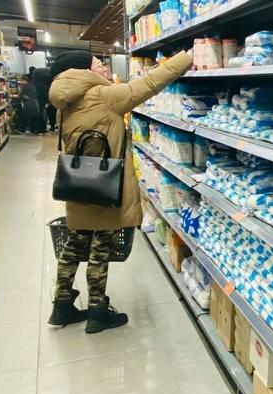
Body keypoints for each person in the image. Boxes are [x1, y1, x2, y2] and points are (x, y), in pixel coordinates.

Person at [46, 50, 193, 333]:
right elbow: (149, 84)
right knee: (100, 249)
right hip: (104, 185)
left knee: (74, 245)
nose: (104, 69)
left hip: (77, 183)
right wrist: (185, 58)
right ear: (84, 71)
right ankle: (98, 311)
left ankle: (62, 304)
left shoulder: (64, 101)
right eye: (98, 65)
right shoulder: (104, 96)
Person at [32, 67, 53, 132]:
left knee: (40, 112)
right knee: (43, 112)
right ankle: (41, 128)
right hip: (43, 96)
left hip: (39, 96)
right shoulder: (48, 78)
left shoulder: (37, 76)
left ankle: (40, 128)